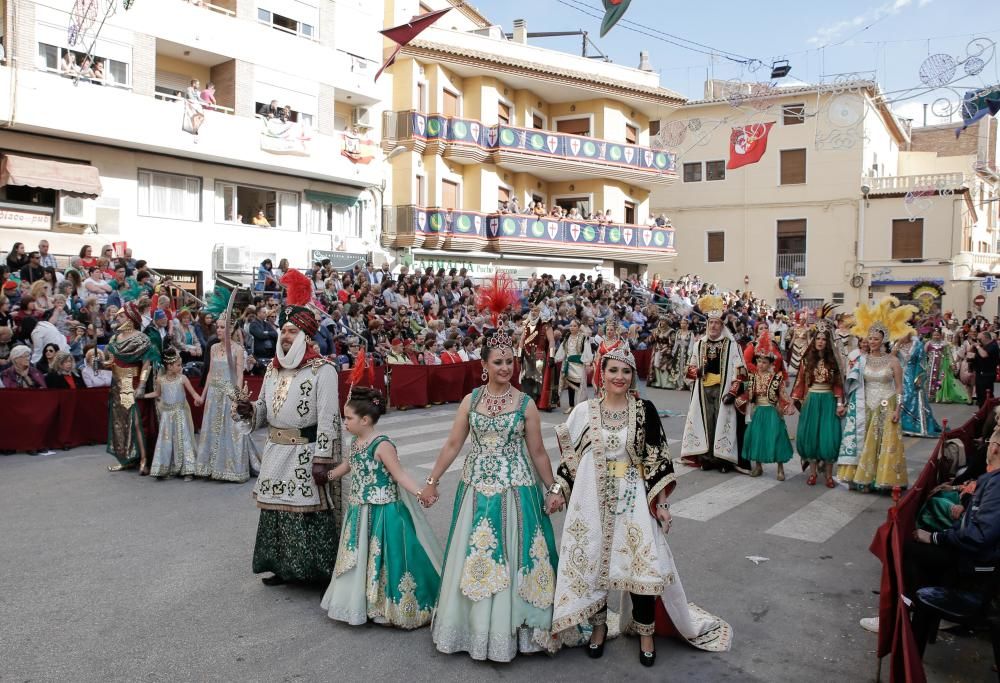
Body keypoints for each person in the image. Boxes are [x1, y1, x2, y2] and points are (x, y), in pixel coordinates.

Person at [550, 348, 732, 664]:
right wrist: (558, 491)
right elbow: (571, 462)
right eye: (613, 371)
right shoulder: (583, 411)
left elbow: (657, 459)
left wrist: (661, 504)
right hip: (591, 499)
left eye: (626, 371)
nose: (619, 377)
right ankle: (598, 629)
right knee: (595, 565)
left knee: (640, 566)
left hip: (631, 497)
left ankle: (645, 632)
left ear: (633, 376)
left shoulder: (643, 410)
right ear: (601, 375)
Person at [417, 291, 565, 661]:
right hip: (476, 491)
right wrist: (432, 481)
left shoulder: (526, 404)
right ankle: (474, 628)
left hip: (517, 491)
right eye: (498, 362)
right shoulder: (471, 400)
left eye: (509, 362)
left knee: (519, 556)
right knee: (475, 555)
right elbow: (453, 445)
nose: (505, 368)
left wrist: (553, 488)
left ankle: (519, 630)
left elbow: (538, 452)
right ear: (484, 365)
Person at [234, 270, 344, 586]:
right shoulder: (273, 370)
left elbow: (329, 419)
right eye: (283, 330)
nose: (284, 337)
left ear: (307, 337)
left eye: (292, 332)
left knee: (307, 512)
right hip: (275, 451)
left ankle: (316, 572)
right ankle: (281, 567)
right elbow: (264, 412)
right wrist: (248, 410)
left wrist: (323, 458)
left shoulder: (322, 371)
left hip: (305, 453)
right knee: (276, 513)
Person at [320, 385, 442, 629]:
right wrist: (328, 476)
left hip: (384, 512)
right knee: (361, 557)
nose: (345, 423)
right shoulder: (355, 442)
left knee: (387, 559)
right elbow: (348, 465)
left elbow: (399, 475)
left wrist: (421, 492)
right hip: (359, 511)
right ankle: (364, 604)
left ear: (365, 420)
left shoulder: (383, 445)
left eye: (349, 418)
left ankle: (387, 607)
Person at [837, 297, 911, 491]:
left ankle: (882, 479)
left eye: (876, 339)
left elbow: (900, 388)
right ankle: (863, 478)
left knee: (883, 444)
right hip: (865, 405)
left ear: (883, 340)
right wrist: (846, 404)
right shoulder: (861, 360)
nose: (872, 342)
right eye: (869, 338)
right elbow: (852, 384)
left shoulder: (893, 361)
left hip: (887, 405)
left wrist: (898, 410)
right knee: (864, 442)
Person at [681, 295, 747, 473]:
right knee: (706, 422)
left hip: (723, 389)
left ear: (722, 325)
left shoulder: (731, 345)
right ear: (707, 324)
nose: (713, 326)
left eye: (717, 323)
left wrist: (733, 392)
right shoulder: (699, 344)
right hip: (703, 389)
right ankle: (707, 458)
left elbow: (740, 371)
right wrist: (699, 371)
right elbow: (689, 370)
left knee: (722, 422)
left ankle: (723, 460)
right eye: (711, 323)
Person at [197, 317, 259, 483]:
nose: (218, 330)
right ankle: (211, 467)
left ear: (231, 330)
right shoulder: (213, 347)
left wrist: (237, 397)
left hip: (228, 393)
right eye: (217, 327)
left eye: (222, 327)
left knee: (231, 430)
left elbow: (239, 374)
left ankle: (232, 469)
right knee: (213, 428)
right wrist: (202, 395)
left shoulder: (237, 349)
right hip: (213, 394)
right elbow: (210, 372)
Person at [792, 315, 845, 488]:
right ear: (814, 340)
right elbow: (800, 382)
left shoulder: (834, 362)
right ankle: (813, 473)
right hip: (812, 400)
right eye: (818, 338)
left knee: (829, 437)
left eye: (824, 339)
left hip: (829, 400)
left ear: (828, 342)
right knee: (811, 437)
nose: (821, 341)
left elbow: (838, 384)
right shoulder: (807, 360)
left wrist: (839, 403)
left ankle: (829, 476)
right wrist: (793, 402)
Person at [105, 302, 156, 474]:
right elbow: (111, 362)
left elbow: (147, 364)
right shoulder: (114, 338)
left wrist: (142, 385)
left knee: (137, 423)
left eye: (120, 315)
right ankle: (126, 459)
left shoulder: (141, 339)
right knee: (122, 423)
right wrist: (100, 363)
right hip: (119, 384)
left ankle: (144, 460)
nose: (117, 318)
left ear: (130, 318)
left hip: (133, 382)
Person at [740, 333, 794, 480]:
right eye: (759, 361)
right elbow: (749, 393)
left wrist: (788, 405)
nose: (761, 364)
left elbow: (782, 394)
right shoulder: (753, 377)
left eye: (764, 362)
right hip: (758, 411)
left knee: (776, 438)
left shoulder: (776, 377)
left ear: (771, 364)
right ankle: (758, 466)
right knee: (757, 438)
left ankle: (780, 469)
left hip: (772, 411)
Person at [146, 349, 202, 479]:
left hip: (180, 414)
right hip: (167, 415)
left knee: (183, 439)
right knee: (166, 440)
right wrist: (143, 395)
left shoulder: (183, 379)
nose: (180, 367)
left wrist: (197, 397)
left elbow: (193, 393)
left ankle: (188, 469)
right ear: (169, 366)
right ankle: (164, 468)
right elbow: (157, 394)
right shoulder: (161, 380)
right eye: (178, 365)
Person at [895, 330, 941, 438]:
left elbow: (921, 361)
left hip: (911, 375)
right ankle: (901, 425)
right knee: (898, 398)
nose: (903, 334)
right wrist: (898, 344)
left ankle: (916, 425)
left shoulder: (918, 345)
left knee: (912, 397)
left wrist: (919, 377)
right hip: (898, 375)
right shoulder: (895, 344)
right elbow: (891, 357)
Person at [517, 303, 558, 411]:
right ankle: (528, 401)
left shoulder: (546, 325)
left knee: (540, 380)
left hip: (540, 356)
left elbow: (552, 341)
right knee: (526, 379)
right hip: (526, 355)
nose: (534, 312)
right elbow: (522, 340)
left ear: (540, 312)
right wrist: (519, 354)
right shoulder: (526, 324)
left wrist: (552, 356)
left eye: (536, 310)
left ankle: (542, 402)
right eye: (532, 310)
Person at [554, 318, 593, 413]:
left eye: (574, 326)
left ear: (579, 327)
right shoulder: (567, 337)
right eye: (571, 326)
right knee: (570, 386)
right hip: (568, 365)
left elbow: (586, 350)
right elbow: (563, 350)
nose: (572, 327)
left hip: (579, 365)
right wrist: (556, 359)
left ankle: (580, 406)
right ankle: (571, 406)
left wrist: (587, 363)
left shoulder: (583, 338)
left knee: (579, 385)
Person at [932, 328, 971, 404]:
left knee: (942, 379)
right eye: (934, 335)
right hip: (933, 364)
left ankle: (942, 396)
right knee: (934, 379)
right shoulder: (929, 343)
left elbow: (949, 355)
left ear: (941, 335)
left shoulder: (945, 344)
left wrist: (952, 364)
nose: (936, 336)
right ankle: (934, 395)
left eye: (937, 335)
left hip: (943, 364)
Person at [593, 319, 626, 392]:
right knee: (602, 387)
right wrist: (597, 366)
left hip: (613, 369)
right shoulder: (602, 343)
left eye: (611, 330)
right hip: (602, 369)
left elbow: (623, 357)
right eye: (607, 330)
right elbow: (597, 356)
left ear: (614, 331)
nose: (609, 331)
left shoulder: (619, 343)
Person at [969, 331, 1000, 407]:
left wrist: (977, 346)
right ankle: (982, 412)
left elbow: (984, 355)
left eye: (980, 338)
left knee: (986, 396)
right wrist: (973, 345)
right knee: (980, 396)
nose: (979, 340)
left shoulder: (993, 345)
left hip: (987, 374)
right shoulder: (983, 346)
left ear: (985, 338)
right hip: (980, 373)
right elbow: (969, 354)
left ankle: (989, 413)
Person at [663, 317, 694, 389]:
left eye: (684, 323)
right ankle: (680, 384)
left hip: (687, 352)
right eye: (681, 323)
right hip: (679, 352)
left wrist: (690, 353)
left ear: (687, 325)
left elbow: (691, 344)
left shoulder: (691, 334)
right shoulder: (678, 332)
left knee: (685, 367)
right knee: (678, 368)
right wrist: (674, 352)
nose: (682, 324)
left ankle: (687, 384)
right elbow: (676, 343)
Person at [646, 318, 674, 388]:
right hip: (657, 349)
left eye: (663, 321)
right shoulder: (657, 330)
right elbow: (650, 340)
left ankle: (666, 383)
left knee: (665, 366)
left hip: (666, 350)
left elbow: (672, 342)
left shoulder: (671, 331)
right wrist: (654, 334)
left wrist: (668, 350)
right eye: (661, 321)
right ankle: (658, 382)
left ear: (667, 322)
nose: (661, 322)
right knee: (656, 365)